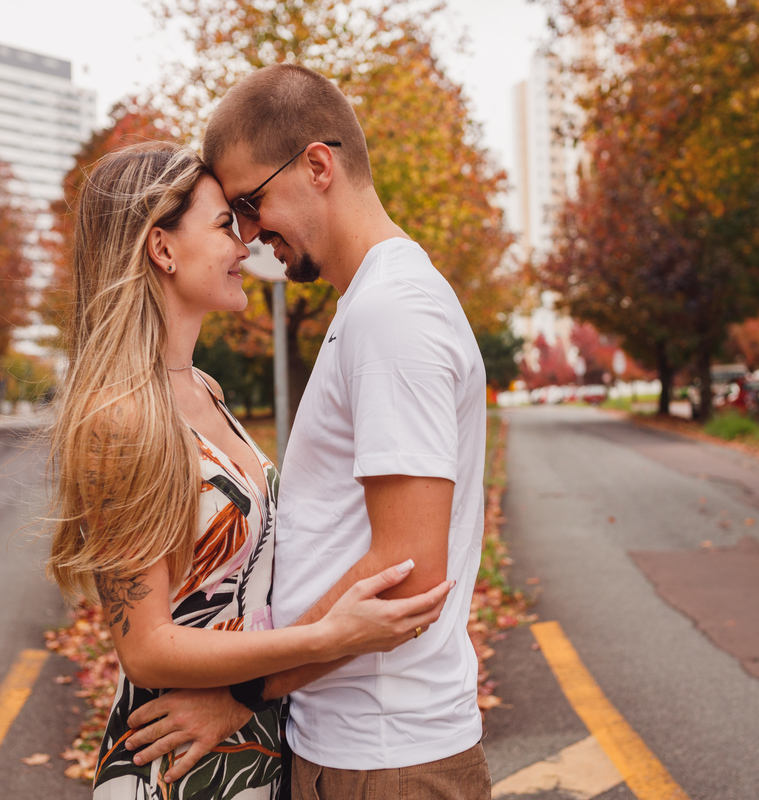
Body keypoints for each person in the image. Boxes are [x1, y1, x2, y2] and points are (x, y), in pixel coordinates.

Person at [122, 64, 492, 798]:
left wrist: (242, 695)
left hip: (385, 757)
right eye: (234, 216)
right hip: (348, 745)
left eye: (251, 204)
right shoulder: (368, 308)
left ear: (318, 165)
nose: (251, 236)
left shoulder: (392, 314)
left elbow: (408, 575)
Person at [45, 141, 453, 799]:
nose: (246, 246)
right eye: (223, 226)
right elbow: (145, 648)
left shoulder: (203, 389)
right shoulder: (119, 418)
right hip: (178, 764)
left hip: (253, 744)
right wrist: (322, 638)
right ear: (162, 249)